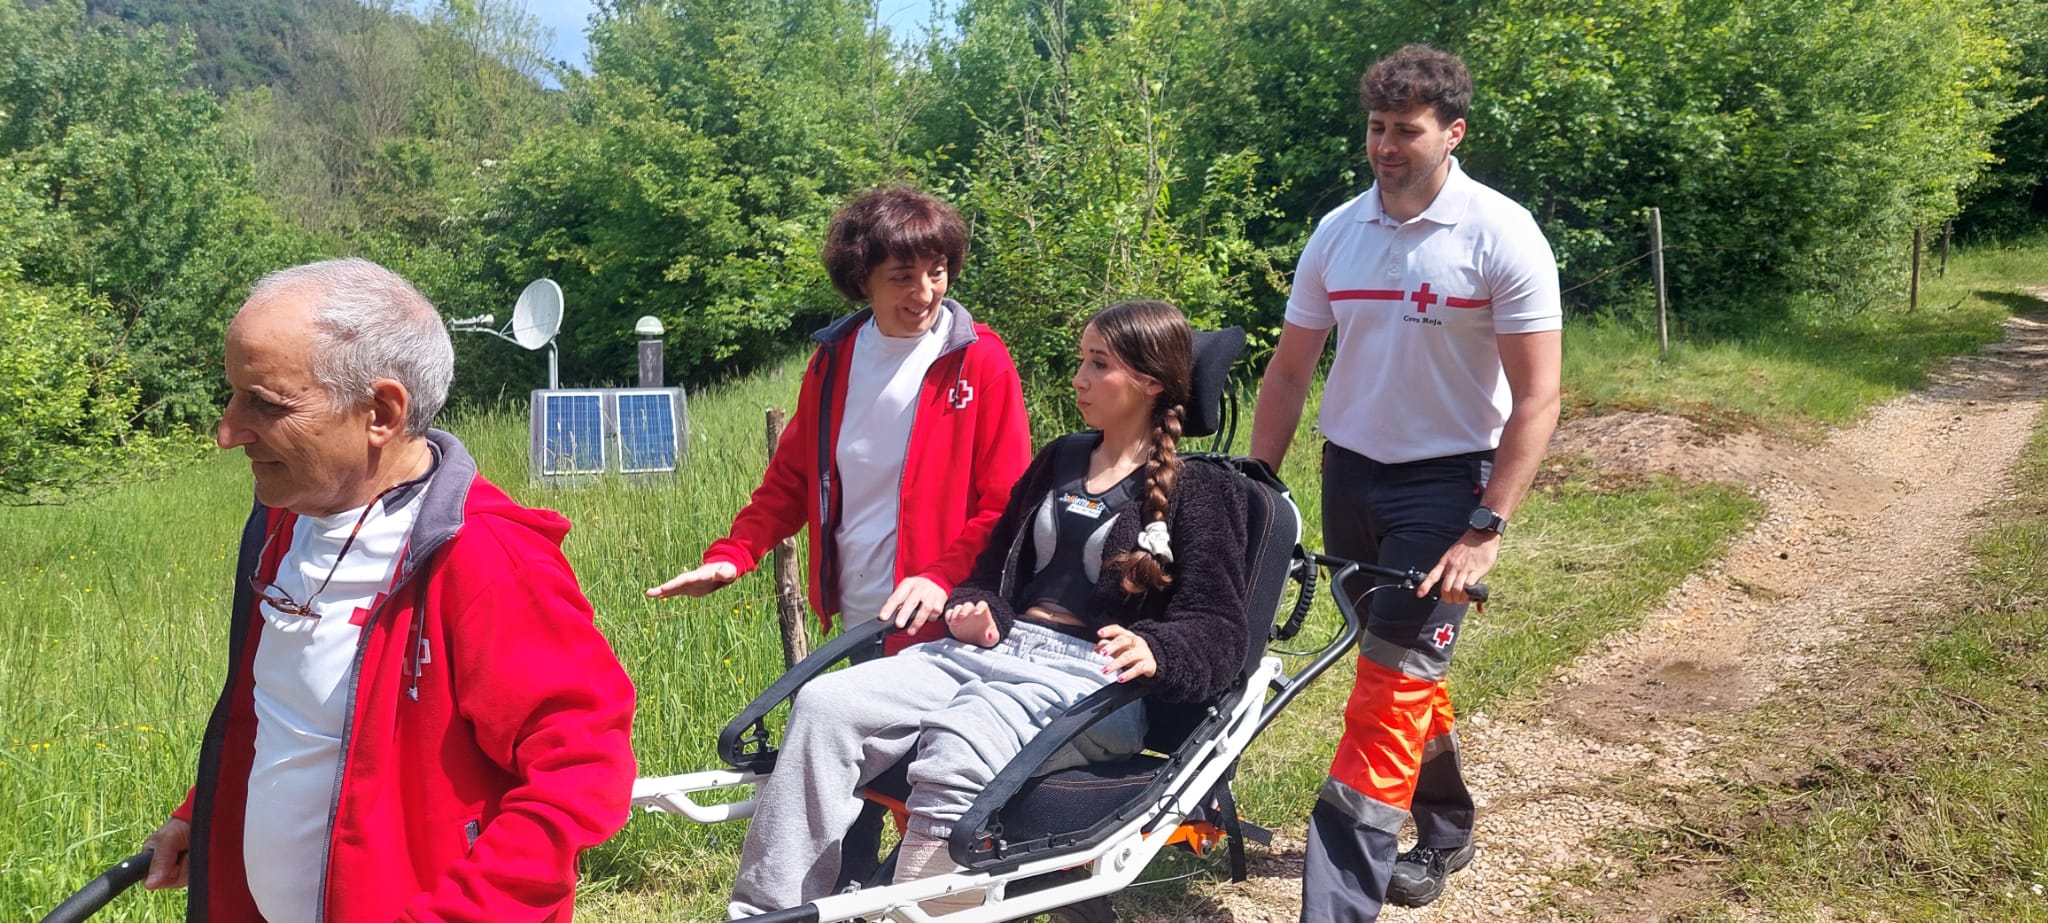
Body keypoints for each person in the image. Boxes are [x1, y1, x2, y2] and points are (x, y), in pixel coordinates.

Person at [139, 258, 639, 923]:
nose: (228, 431)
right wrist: (203, 817)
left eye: (266, 403)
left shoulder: (487, 558)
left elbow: (582, 774)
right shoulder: (285, 522)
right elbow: (292, 722)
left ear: (380, 411)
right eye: (233, 395)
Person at [727, 299, 1250, 917]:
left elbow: (1219, 629)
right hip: (994, 651)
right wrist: (979, 608)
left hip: (1095, 683)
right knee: (825, 706)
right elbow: (991, 572)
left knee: (961, 739)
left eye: (1098, 364)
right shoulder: (1060, 459)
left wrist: (1156, 649)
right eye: (1081, 359)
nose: (1078, 378)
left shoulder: (1204, 490)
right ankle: (767, 912)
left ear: (1150, 382)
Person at [1248, 45, 1563, 921]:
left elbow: (1539, 397)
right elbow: (1287, 371)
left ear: (1453, 132)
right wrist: (1254, 481)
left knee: (1386, 687)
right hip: (1351, 471)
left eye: (1408, 130)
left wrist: (1485, 524)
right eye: (1377, 128)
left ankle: (1337, 902)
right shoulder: (1338, 231)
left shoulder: (1501, 233)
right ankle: (1448, 821)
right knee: (1399, 659)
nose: (1387, 146)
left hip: (1447, 486)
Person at [646, 185, 1031, 653]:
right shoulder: (834, 361)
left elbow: (1006, 502)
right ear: (862, 278)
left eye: (937, 272)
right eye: (902, 277)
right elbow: (792, 481)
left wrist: (941, 576)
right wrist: (735, 553)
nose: (925, 293)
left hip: (950, 619)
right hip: (862, 617)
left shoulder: (980, 359)